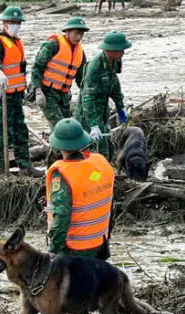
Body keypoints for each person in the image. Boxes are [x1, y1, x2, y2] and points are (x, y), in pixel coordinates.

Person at [0, 6, 44, 178]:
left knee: (20, 130)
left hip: (17, 95)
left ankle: (25, 166)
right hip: (2, 95)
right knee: (3, 133)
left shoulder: (16, 41)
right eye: (12, 22)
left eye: (18, 23)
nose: (15, 26)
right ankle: (2, 171)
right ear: (4, 23)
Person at [45, 118, 114, 259]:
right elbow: (107, 203)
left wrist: (53, 250)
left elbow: (61, 216)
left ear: (58, 145)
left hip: (74, 249)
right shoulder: (100, 164)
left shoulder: (63, 174)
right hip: (99, 243)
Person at [74, 30, 131, 161]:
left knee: (108, 147)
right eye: (121, 50)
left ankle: (105, 174)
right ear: (111, 50)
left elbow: (114, 85)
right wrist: (93, 125)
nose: (123, 53)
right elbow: (88, 99)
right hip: (89, 113)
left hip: (102, 110)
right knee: (97, 149)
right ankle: (94, 178)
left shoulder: (114, 61)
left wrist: (120, 107)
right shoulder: (94, 67)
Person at [31, 17, 89, 132]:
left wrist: (88, 94)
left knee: (66, 125)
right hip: (47, 93)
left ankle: (57, 149)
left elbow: (81, 77)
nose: (79, 37)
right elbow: (37, 68)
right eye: (76, 33)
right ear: (67, 31)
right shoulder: (52, 45)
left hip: (64, 96)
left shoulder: (80, 52)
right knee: (60, 128)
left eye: (81, 34)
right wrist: (38, 91)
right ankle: (59, 150)